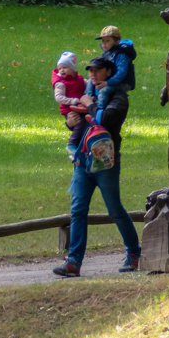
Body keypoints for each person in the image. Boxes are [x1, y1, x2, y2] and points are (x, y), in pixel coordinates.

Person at [53, 56, 141, 277]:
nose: (91, 74)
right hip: (83, 159)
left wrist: (89, 104)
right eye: (90, 71)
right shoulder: (88, 91)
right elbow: (80, 121)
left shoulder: (118, 96)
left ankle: (134, 253)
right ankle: (73, 261)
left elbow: (105, 120)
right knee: (78, 210)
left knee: (114, 210)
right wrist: (70, 123)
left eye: (97, 70)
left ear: (108, 72)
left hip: (105, 161)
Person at [51, 51, 90, 159]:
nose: (62, 70)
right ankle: (71, 144)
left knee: (84, 124)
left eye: (65, 67)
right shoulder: (60, 83)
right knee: (79, 124)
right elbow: (58, 97)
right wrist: (72, 101)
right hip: (69, 109)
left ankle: (77, 153)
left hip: (79, 107)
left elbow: (86, 85)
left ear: (72, 68)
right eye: (60, 68)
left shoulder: (79, 79)